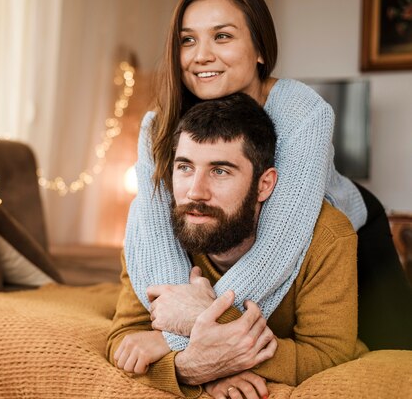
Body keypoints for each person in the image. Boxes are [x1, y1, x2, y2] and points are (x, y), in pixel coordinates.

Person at [123, 0, 412, 354]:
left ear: (260, 49)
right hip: (251, 245)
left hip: (345, 221)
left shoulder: (304, 112)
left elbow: (277, 247)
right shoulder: (157, 126)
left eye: (222, 36)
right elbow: (154, 233)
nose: (201, 56)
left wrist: (186, 334)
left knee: (397, 346)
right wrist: (186, 324)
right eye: (188, 40)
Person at [107, 93, 367, 398]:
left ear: (264, 184)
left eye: (220, 171)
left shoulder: (328, 236)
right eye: (185, 167)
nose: (195, 192)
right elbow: (124, 340)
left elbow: (329, 357)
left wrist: (197, 320)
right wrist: (194, 368)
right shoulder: (151, 231)